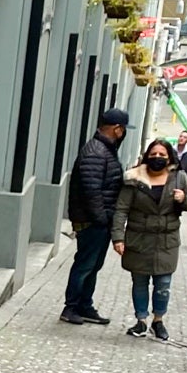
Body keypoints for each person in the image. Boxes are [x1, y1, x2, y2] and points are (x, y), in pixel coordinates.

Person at [112, 136, 187, 340]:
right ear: (147, 156)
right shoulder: (133, 178)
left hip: (167, 241)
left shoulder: (179, 178)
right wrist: (118, 237)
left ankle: (158, 321)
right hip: (139, 238)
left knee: (163, 284)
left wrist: (183, 199)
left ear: (169, 157)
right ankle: (141, 321)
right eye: (154, 154)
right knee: (139, 281)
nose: (157, 157)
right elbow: (121, 209)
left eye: (162, 154)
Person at [62, 107, 129, 325]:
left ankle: (84, 305)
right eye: (123, 129)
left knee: (93, 265)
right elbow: (92, 191)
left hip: (99, 221)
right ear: (117, 129)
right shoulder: (96, 152)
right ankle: (70, 307)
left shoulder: (104, 150)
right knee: (85, 264)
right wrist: (102, 220)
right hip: (93, 222)